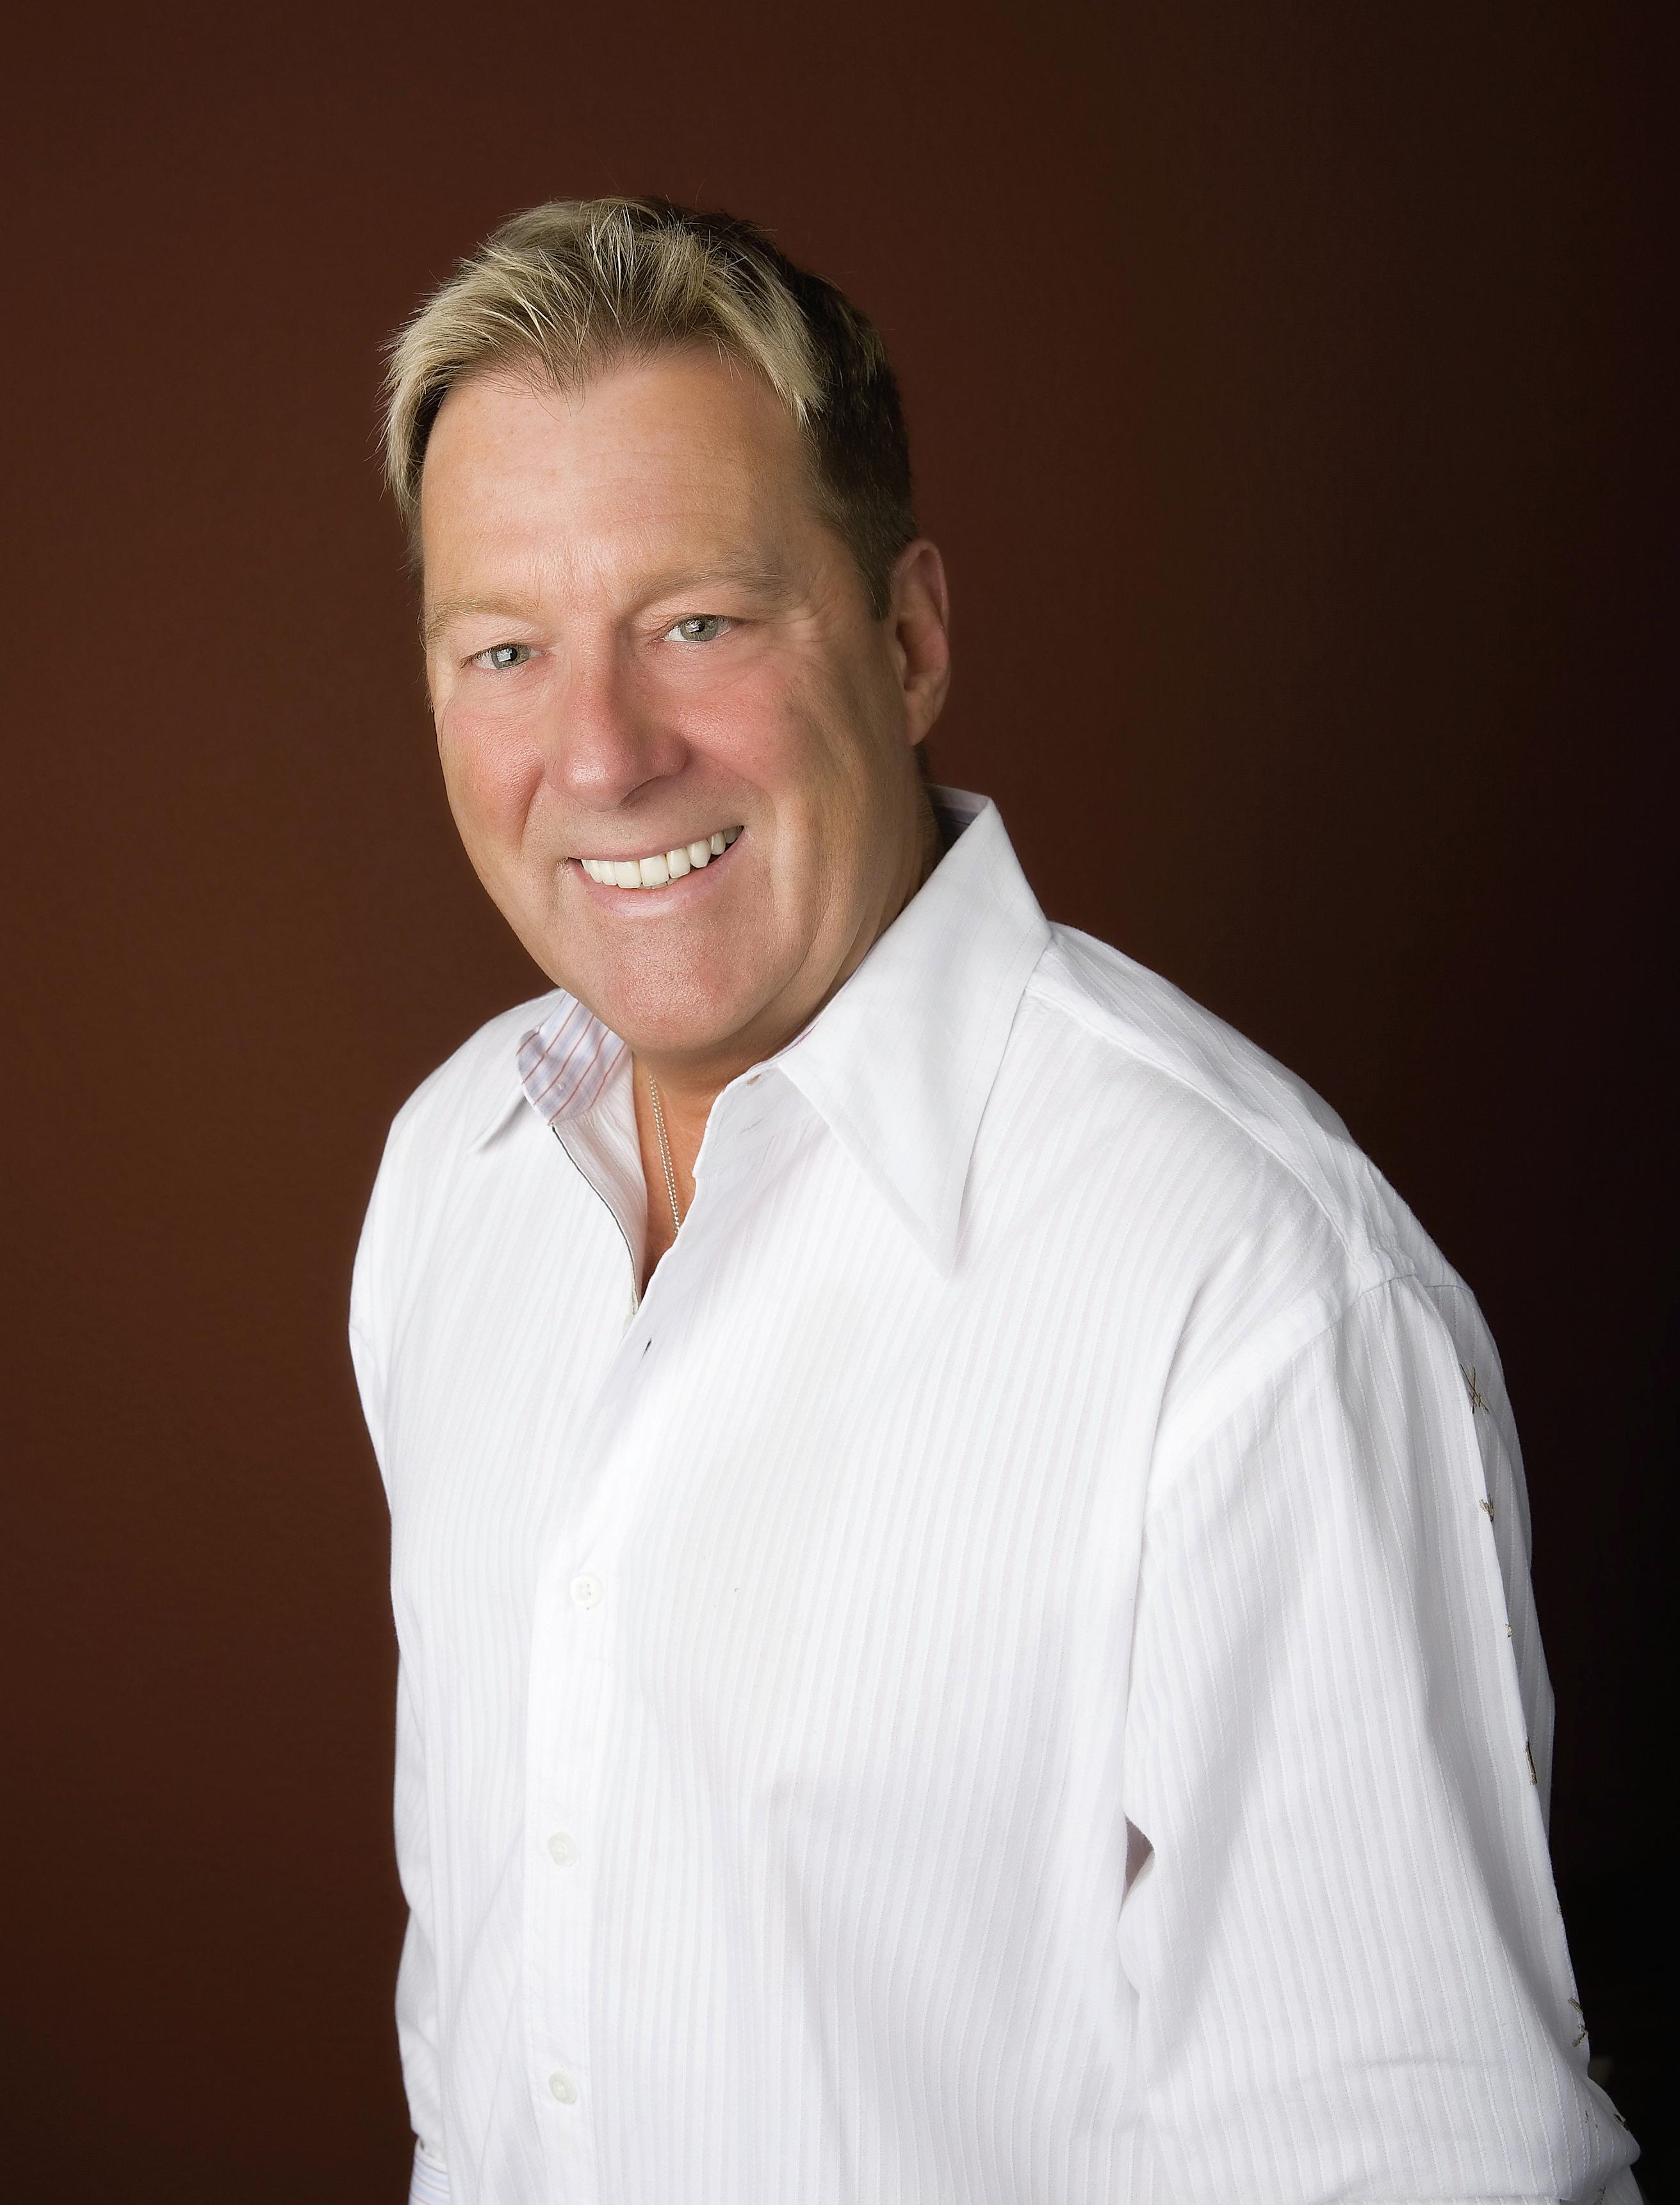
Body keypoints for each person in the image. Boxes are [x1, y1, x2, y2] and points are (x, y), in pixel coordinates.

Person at [349, 197, 1640, 2205]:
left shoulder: (1252, 1289)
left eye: (699, 622)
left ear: (910, 636)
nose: (600, 754)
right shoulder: (457, 1180)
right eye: (504, 649)